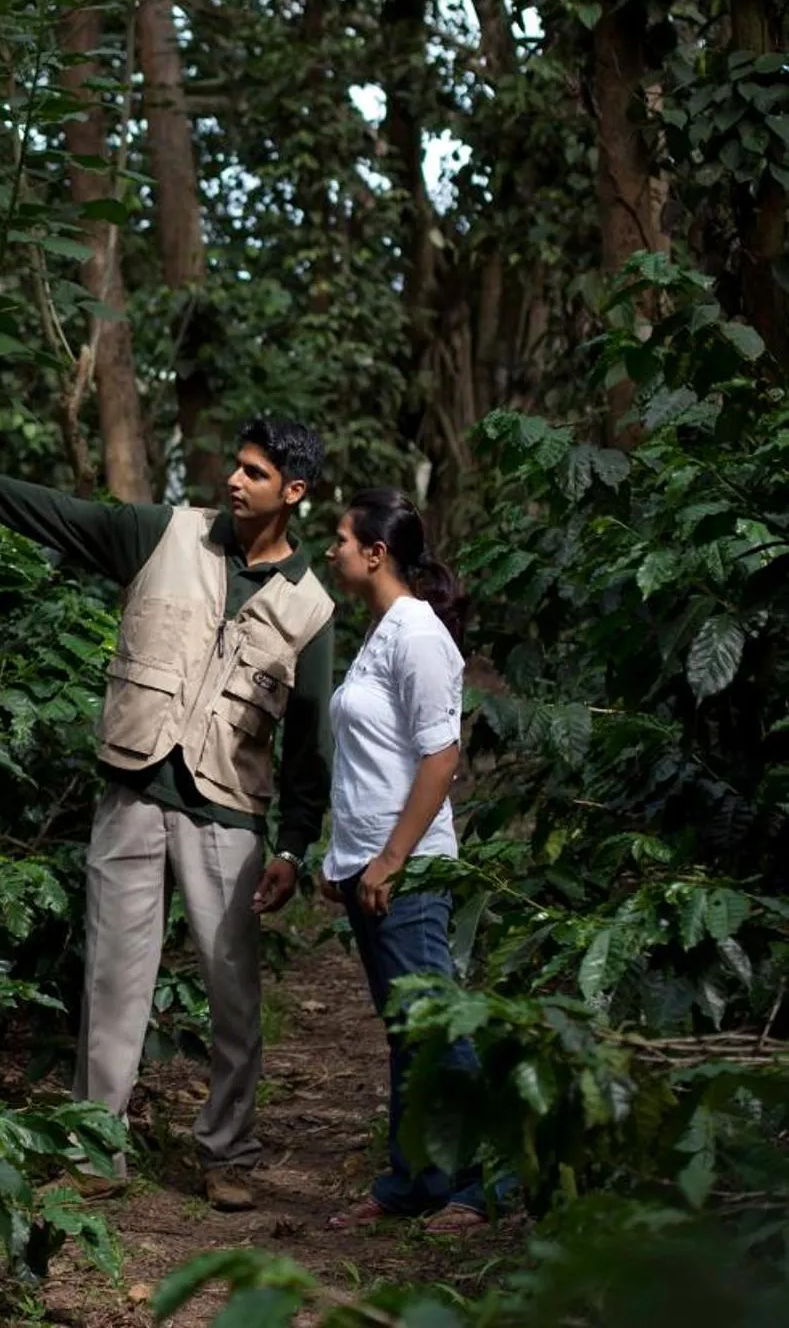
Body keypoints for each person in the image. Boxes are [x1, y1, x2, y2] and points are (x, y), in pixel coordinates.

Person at [0, 418, 336, 1213]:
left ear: (291, 493)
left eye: (254, 473)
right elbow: (56, 512)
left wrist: (294, 846)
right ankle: (96, 1146)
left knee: (232, 992)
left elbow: (307, 743)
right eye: (234, 466)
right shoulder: (162, 533)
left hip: (226, 815)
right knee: (112, 979)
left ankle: (226, 1149)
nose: (233, 482)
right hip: (131, 790)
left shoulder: (309, 607)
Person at [318, 488, 493, 1233]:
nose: (329, 550)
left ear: (373, 552)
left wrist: (390, 858)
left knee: (437, 1025)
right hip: (371, 862)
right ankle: (411, 1178)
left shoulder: (416, 631)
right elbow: (371, 759)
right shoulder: (380, 629)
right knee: (405, 1028)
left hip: (410, 865)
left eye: (337, 539)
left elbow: (440, 754)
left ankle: (477, 1184)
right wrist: (346, 860)